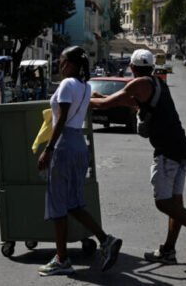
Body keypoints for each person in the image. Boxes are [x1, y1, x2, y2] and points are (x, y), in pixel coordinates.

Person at [90, 49, 186, 266]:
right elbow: (126, 102)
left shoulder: (138, 84)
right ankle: (169, 250)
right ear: (151, 67)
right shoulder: (157, 84)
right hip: (181, 148)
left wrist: (84, 100)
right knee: (176, 204)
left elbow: (108, 104)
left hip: (167, 151)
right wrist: (101, 98)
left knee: (163, 203)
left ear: (132, 67)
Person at [36, 46, 122, 276]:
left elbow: (62, 117)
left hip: (63, 144)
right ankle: (106, 240)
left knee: (57, 203)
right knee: (73, 203)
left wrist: (49, 149)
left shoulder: (66, 84)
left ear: (72, 64)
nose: (60, 66)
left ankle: (62, 259)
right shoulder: (85, 86)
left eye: (63, 62)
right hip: (78, 145)